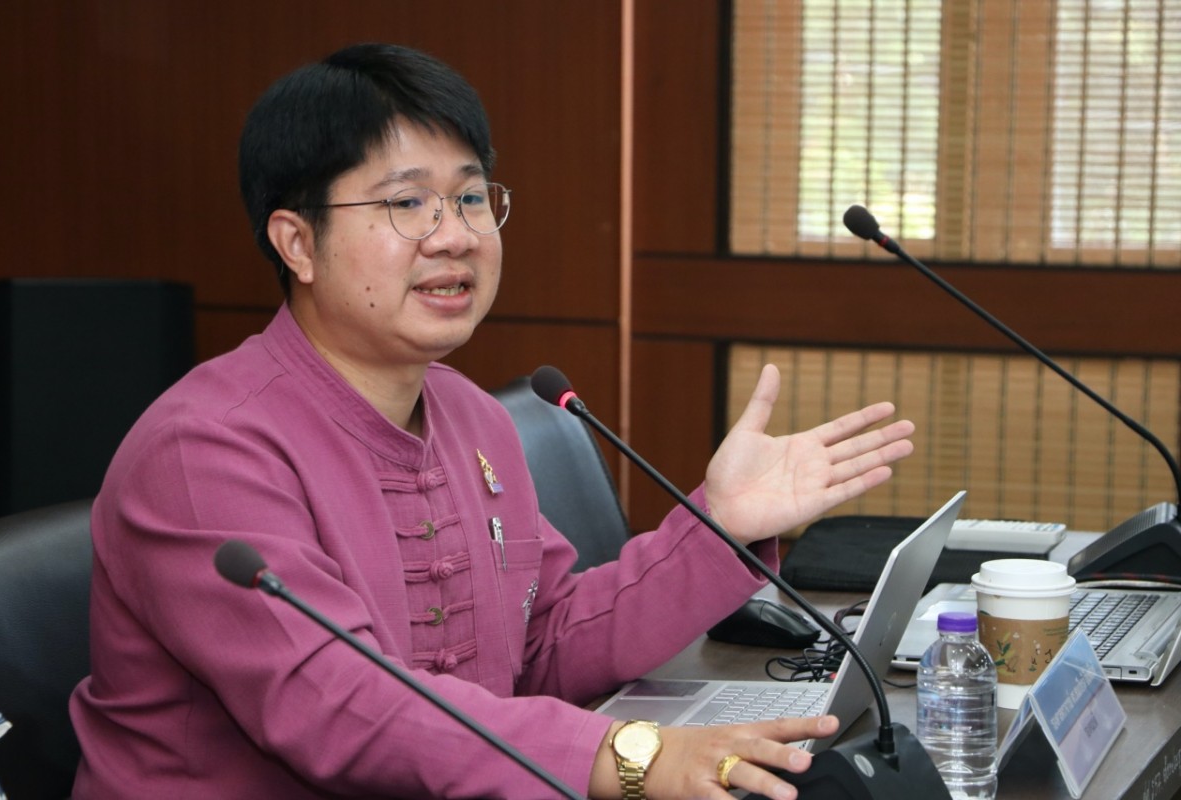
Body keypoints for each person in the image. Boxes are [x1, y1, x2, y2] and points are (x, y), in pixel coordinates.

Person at [69, 42, 915, 800]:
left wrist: (719, 526)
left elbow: (543, 645)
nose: (455, 236)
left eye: (471, 197)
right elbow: (342, 707)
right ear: (297, 243)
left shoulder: (470, 414)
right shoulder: (206, 449)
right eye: (408, 204)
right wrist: (630, 755)